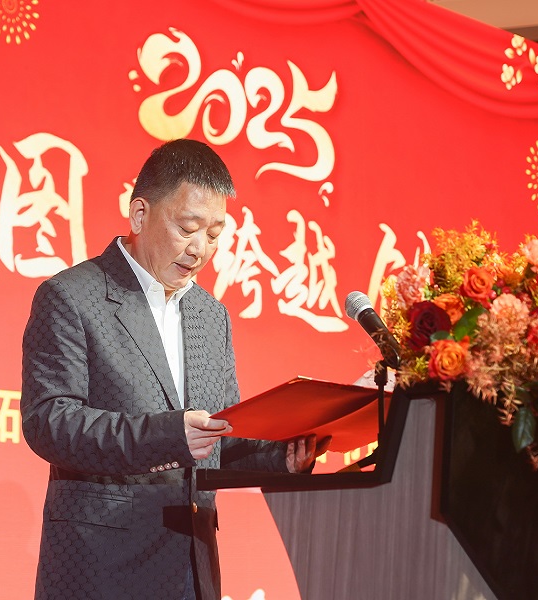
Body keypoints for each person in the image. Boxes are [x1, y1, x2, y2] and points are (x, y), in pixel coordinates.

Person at [21, 139, 321, 600]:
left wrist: (283, 456)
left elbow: (220, 436)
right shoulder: (72, 296)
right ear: (140, 214)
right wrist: (168, 435)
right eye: (187, 228)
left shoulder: (211, 315)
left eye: (215, 234)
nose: (201, 249)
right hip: (101, 569)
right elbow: (50, 422)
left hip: (191, 571)